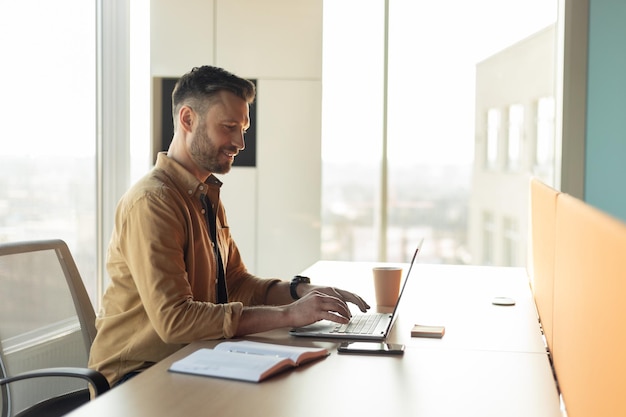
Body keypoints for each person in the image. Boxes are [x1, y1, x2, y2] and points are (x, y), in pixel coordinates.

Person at [88, 65, 370, 386]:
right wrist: (291, 315)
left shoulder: (205, 195)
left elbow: (236, 284)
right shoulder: (153, 202)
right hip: (137, 376)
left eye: (243, 129)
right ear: (187, 119)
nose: (240, 142)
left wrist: (300, 292)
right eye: (229, 127)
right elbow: (175, 320)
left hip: (192, 358)